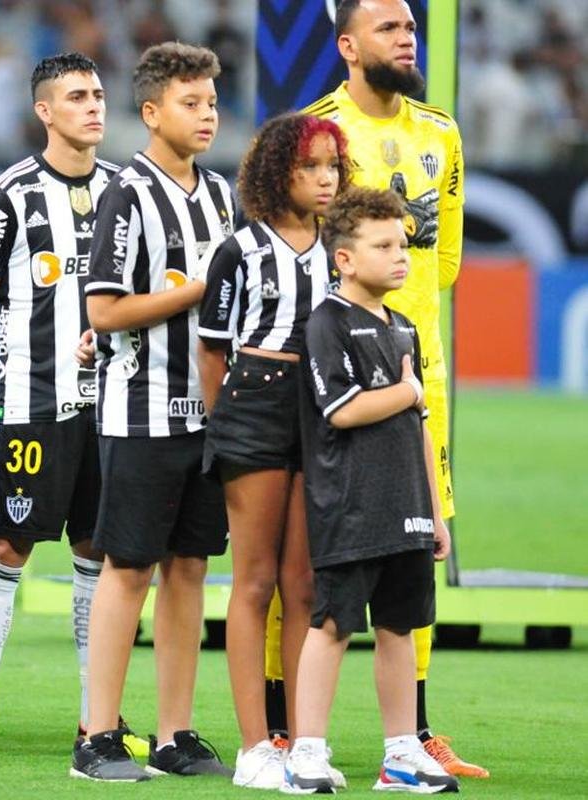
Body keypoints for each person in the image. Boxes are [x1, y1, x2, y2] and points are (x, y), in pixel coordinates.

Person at [299, 0, 484, 777]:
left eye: (410, 28)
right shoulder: (317, 132)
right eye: (388, 28)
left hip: (418, 378)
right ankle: (292, 731)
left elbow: (441, 263)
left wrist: (412, 355)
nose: (406, 39)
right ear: (346, 45)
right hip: (339, 368)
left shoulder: (440, 132)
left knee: (416, 553)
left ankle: (413, 733)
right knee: (323, 562)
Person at [0, 52, 135, 760]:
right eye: (76, 97)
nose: (93, 107)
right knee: (4, 546)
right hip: (30, 406)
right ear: (44, 111)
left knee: (98, 553)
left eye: (98, 94)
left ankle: (97, 720)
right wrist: (8, 379)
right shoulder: (9, 195)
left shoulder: (126, 190)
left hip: (111, 412)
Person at [72, 43, 234, 782]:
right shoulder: (125, 194)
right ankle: (96, 736)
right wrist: (195, 290)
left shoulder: (222, 195)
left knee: (190, 569)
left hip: (208, 417)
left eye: (210, 101)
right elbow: (102, 310)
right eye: (190, 103)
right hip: (137, 413)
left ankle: (174, 733)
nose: (206, 115)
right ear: (150, 111)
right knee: (127, 567)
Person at [283, 186, 457, 794]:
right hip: (350, 505)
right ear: (345, 259)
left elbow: (419, 427)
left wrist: (435, 512)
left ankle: (400, 754)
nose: (400, 256)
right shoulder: (326, 322)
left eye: (403, 244)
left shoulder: (404, 326)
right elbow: (341, 409)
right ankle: (306, 751)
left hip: (406, 503)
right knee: (331, 623)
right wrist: (407, 392)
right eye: (383, 245)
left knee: (400, 627)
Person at [197, 112, 348, 789]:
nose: (324, 179)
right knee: (254, 582)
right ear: (274, 172)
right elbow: (211, 348)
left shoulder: (339, 249)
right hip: (253, 404)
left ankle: (303, 740)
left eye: (331, 167)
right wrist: (216, 424)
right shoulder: (240, 248)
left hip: (319, 412)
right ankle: (254, 747)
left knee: (305, 585)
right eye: (308, 167)